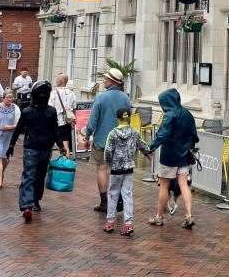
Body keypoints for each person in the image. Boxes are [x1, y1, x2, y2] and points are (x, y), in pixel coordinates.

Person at [147, 88, 199, 229]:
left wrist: (150, 147)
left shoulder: (170, 115)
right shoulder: (187, 114)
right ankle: (189, 216)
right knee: (184, 184)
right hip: (184, 155)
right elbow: (194, 135)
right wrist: (189, 147)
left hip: (169, 155)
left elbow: (162, 135)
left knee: (164, 185)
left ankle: (159, 216)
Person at [7, 80, 58, 223]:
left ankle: (27, 205)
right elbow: (55, 131)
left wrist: (11, 146)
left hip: (31, 148)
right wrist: (62, 146)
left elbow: (18, 129)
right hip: (45, 148)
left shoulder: (28, 111)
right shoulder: (51, 111)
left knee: (29, 175)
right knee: (40, 175)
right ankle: (34, 201)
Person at [82, 68, 131, 213]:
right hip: (121, 139)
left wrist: (87, 135)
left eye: (106, 78)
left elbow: (92, 121)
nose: (103, 80)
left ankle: (104, 203)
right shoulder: (125, 98)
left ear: (112, 81)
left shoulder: (101, 98)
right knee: (118, 170)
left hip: (102, 140)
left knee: (102, 169)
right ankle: (119, 200)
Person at [103, 107, 152, 236]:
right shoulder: (134, 132)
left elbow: (108, 151)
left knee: (113, 194)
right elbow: (143, 146)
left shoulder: (112, 133)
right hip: (129, 167)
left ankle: (110, 222)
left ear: (117, 118)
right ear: (129, 117)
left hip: (116, 168)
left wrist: (108, 163)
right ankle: (128, 223)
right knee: (127, 195)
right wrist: (148, 154)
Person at [48, 73, 76, 157]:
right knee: (65, 144)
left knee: (50, 144)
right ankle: (65, 165)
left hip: (55, 122)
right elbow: (74, 109)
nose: (56, 80)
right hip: (66, 122)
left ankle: (47, 164)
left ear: (61, 81)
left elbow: (50, 108)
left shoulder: (53, 93)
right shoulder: (72, 93)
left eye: (57, 79)